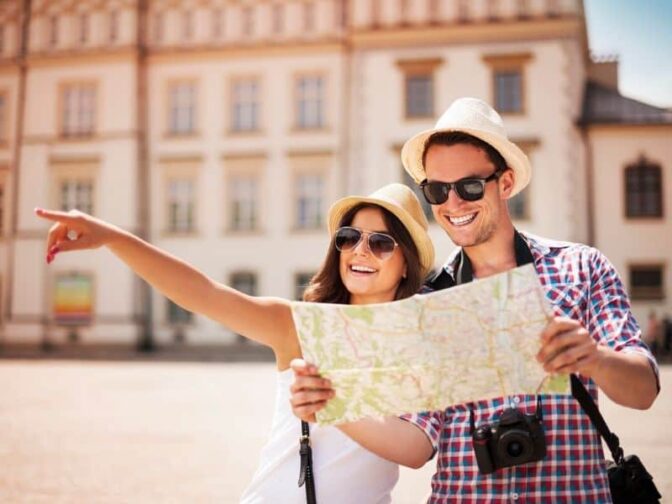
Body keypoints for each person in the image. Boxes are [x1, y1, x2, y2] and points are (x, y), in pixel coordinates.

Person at [289, 98, 660, 502]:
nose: (453, 204)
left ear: (505, 183)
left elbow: (643, 391)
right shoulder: (427, 302)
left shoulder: (581, 267)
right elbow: (416, 445)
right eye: (436, 190)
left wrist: (593, 358)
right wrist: (334, 402)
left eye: (468, 186)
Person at [34, 182, 436, 504]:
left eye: (381, 243)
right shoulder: (302, 325)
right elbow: (204, 294)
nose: (360, 251)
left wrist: (332, 405)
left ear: (406, 264)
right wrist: (113, 238)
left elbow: (417, 450)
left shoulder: (417, 343)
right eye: (349, 237)